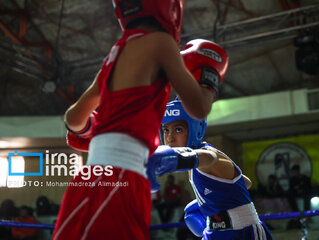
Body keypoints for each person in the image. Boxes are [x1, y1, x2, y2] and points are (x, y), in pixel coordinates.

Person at [53, 0, 228, 239]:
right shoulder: (160, 42)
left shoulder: (115, 53)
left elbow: (73, 120)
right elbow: (198, 108)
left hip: (89, 176)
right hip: (122, 175)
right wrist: (209, 76)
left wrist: (93, 130)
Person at [147, 99, 273, 239]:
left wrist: (173, 159)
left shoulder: (208, 156)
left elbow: (208, 157)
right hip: (214, 232)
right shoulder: (195, 165)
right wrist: (209, 201)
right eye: (165, 130)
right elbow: (246, 182)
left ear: (196, 129)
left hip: (242, 231)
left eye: (178, 130)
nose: (170, 138)